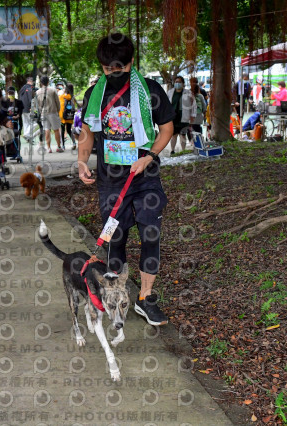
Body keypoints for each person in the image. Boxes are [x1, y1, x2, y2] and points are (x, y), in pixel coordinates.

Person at [78, 33, 175, 326]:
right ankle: (116, 296)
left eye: (119, 68)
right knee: (115, 238)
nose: (114, 73)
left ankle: (145, 298)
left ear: (131, 62)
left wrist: (150, 156)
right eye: (108, 69)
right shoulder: (94, 93)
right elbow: (87, 133)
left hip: (145, 177)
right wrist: (82, 160)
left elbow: (167, 129)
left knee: (150, 234)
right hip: (111, 181)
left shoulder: (151, 91)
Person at [167, 76, 195, 155]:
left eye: (179, 82)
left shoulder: (188, 93)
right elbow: (166, 105)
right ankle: (172, 150)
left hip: (184, 116)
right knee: (173, 135)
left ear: (183, 84)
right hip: (173, 117)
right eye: (176, 82)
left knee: (183, 135)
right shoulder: (170, 92)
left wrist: (193, 115)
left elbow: (193, 105)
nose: (177, 83)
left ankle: (183, 151)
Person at [34, 76, 63, 153]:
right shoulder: (53, 90)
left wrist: (40, 111)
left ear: (41, 83)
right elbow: (57, 102)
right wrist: (57, 110)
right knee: (56, 129)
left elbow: (37, 105)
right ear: (48, 82)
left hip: (44, 113)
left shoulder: (37, 92)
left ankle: (49, 148)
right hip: (53, 112)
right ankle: (59, 146)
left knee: (47, 130)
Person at [0, 86, 25, 157]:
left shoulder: (19, 102)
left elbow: (20, 112)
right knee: (7, 136)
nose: (11, 94)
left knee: (16, 136)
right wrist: (7, 119)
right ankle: (7, 152)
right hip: (7, 124)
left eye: (12, 93)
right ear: (7, 94)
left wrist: (17, 116)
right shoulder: (4, 103)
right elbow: (2, 114)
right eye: (9, 93)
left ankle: (16, 152)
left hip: (16, 123)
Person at [59, 83, 78, 150]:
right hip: (70, 116)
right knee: (69, 130)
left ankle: (63, 146)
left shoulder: (62, 96)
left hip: (62, 116)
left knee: (62, 130)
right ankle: (74, 143)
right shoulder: (73, 97)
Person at [19, 76, 37, 142]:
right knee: (34, 122)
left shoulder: (22, 88)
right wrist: (30, 107)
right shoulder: (30, 88)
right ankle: (26, 134)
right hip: (27, 108)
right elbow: (30, 99)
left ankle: (27, 137)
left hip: (22, 108)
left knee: (26, 123)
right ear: (31, 82)